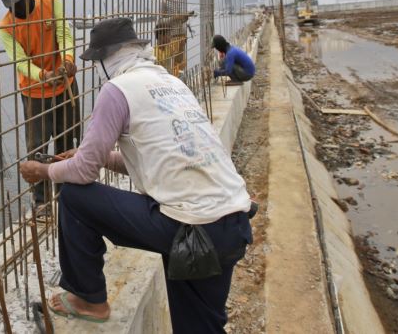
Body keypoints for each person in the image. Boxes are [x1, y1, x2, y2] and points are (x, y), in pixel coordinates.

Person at [19, 18, 253, 333]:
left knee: (74, 195)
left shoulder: (116, 89)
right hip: (232, 223)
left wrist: (44, 171)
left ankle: (90, 299)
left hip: (192, 229)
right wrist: (101, 159)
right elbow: (160, 157)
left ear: (106, 58)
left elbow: (83, 172)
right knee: (200, 326)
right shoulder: (172, 84)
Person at [0, 0, 80, 211]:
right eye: (13, 4)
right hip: (34, 93)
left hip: (65, 86)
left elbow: (64, 34)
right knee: (37, 148)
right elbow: (20, 61)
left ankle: (69, 198)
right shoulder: (6, 27)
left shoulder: (51, 2)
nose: (20, 7)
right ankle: (42, 203)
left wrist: (67, 59)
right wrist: (43, 75)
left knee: (68, 142)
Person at [154, 0, 195, 77]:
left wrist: (185, 17)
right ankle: (173, 79)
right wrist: (174, 17)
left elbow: (180, 20)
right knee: (171, 64)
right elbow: (161, 21)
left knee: (180, 64)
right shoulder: (164, 3)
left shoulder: (177, 4)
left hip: (181, 36)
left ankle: (180, 79)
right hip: (171, 37)